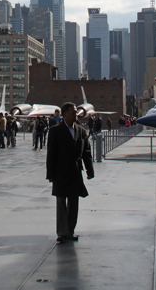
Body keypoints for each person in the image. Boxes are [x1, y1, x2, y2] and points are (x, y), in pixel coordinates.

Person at [46, 102, 94, 244]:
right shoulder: (55, 131)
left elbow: (86, 152)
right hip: (60, 172)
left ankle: (70, 230)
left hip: (75, 172)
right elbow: (51, 154)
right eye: (73, 112)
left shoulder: (81, 131)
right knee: (61, 202)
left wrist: (89, 170)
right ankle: (61, 233)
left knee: (73, 202)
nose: (76, 114)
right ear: (65, 114)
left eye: (76, 112)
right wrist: (51, 174)